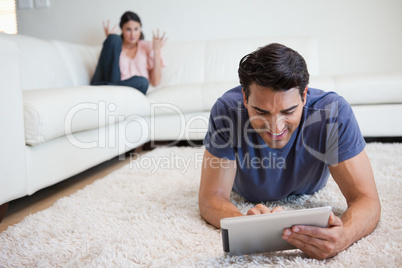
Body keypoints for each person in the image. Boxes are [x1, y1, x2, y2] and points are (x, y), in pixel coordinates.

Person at [198, 43, 381, 259]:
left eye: (289, 111)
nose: (275, 128)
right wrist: (243, 222)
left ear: (304, 95)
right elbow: (211, 197)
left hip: (311, 187)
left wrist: (345, 236)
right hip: (246, 192)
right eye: (261, 111)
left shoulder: (334, 113)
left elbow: (367, 200)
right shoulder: (226, 111)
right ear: (245, 98)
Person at [91, 11, 167, 94]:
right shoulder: (117, 45)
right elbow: (108, 70)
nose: (133, 35)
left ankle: (106, 88)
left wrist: (156, 51)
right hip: (114, 80)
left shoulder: (146, 46)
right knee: (113, 39)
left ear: (140, 29)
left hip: (135, 87)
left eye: (136, 29)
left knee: (143, 82)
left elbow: (155, 82)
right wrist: (110, 43)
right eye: (128, 29)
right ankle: (109, 88)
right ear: (122, 30)